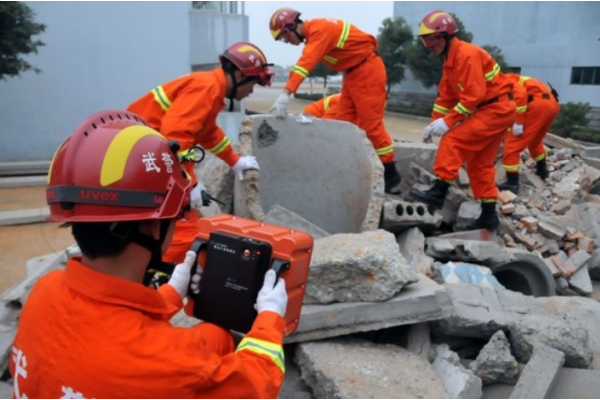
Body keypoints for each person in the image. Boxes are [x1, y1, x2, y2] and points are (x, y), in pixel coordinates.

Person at [10, 110, 288, 398]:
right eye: (179, 213)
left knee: (216, 336)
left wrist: (169, 295)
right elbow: (255, 384)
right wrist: (270, 316)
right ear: (153, 226)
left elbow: (110, 322)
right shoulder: (171, 365)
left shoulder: (46, 291)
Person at [128, 41, 274, 265]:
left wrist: (235, 161)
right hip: (145, 158)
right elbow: (176, 138)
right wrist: (191, 185)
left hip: (147, 155)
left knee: (163, 222)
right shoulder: (206, 88)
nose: (250, 92)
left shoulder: (211, 89)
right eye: (252, 84)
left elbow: (208, 133)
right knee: (183, 230)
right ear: (238, 74)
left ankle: (148, 272)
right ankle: (158, 281)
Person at [268, 7, 402, 194]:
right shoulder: (316, 33)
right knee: (341, 123)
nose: (287, 42)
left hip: (367, 71)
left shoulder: (320, 31)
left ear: (291, 27)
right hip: (353, 74)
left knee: (371, 126)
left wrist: (286, 93)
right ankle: (344, 170)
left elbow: (304, 64)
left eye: (284, 37)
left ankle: (391, 175)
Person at [408, 10, 516, 231]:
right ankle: (489, 216)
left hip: (495, 109)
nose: (428, 45)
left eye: (431, 39)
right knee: (479, 164)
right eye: (424, 40)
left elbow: (473, 95)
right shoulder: (451, 61)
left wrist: (448, 123)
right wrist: (434, 123)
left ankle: (438, 193)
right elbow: (445, 98)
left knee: (453, 140)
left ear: (446, 36)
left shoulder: (465, 55)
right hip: (495, 109)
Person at [498, 73, 561, 194]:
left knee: (512, 145)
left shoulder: (502, 81)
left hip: (538, 104)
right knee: (535, 140)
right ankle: (542, 171)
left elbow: (520, 96)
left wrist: (519, 122)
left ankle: (512, 183)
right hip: (552, 103)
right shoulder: (512, 78)